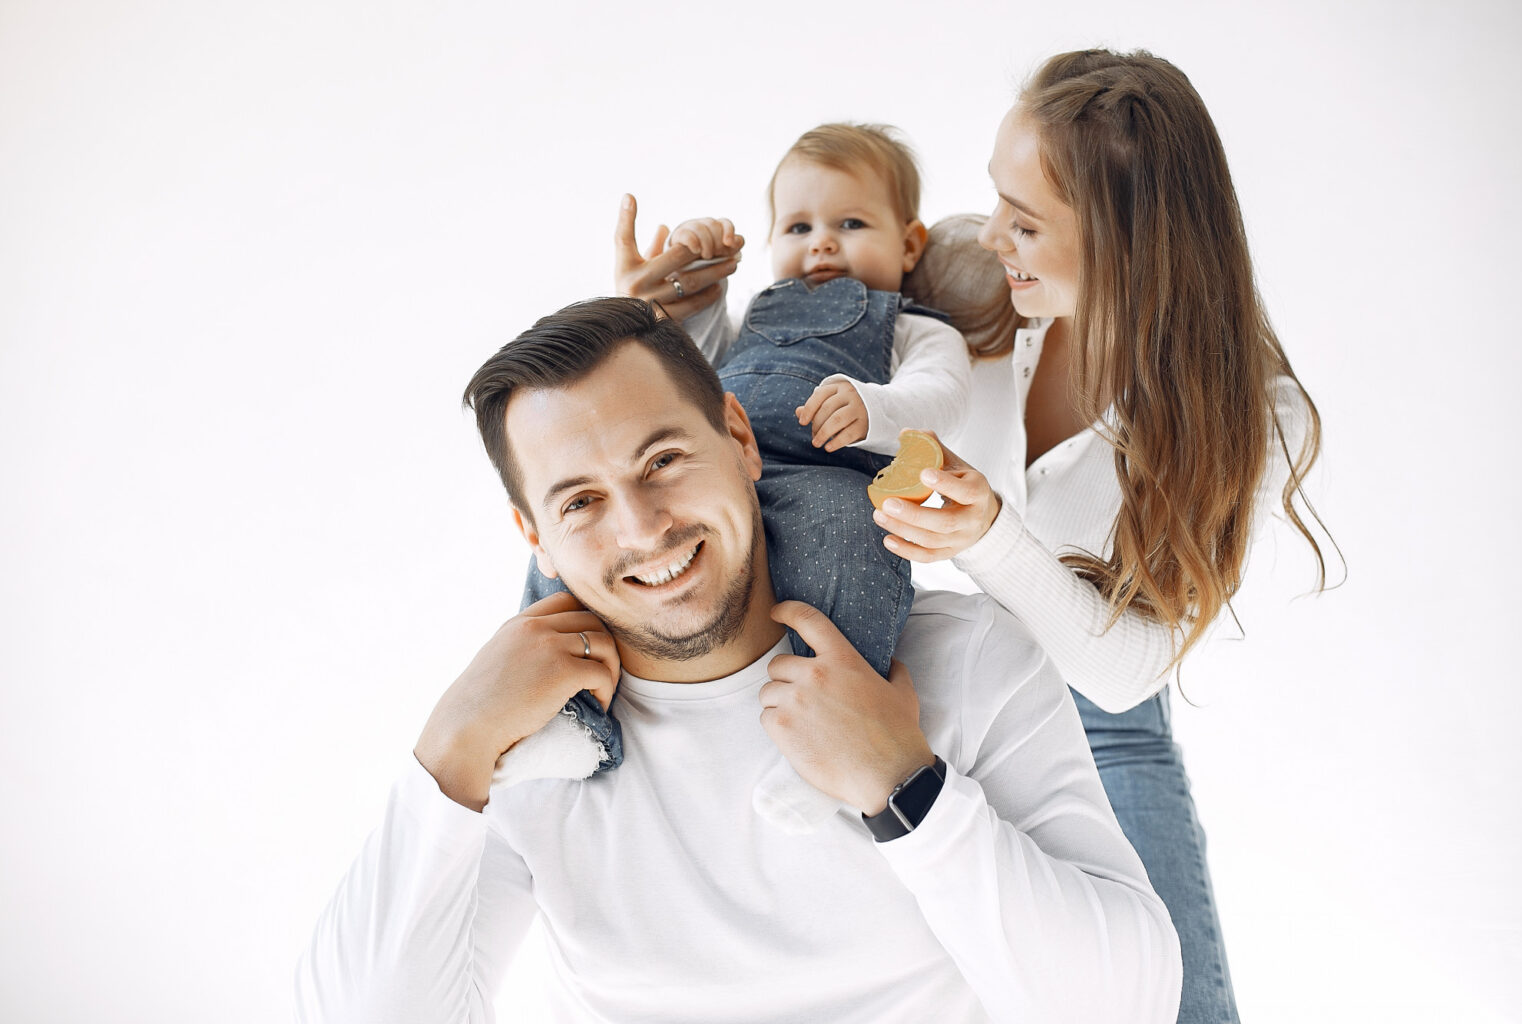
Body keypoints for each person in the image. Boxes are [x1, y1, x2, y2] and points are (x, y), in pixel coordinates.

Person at [295, 296, 1182, 1023]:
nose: (644, 529)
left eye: (664, 460)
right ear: (535, 537)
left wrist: (906, 788)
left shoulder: (968, 657)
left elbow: (1129, 1004)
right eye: (580, 502)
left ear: (740, 438)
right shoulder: (528, 749)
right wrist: (448, 754)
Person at [879, 51, 1331, 1024]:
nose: (994, 232)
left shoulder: (1255, 415)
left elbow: (1129, 672)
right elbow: (816, 314)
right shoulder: (976, 274)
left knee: (1179, 1007)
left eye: (1028, 221)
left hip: (1104, 730)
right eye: (999, 198)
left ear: (1132, 245)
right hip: (928, 692)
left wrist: (993, 535)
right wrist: (689, 310)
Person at [513, 124, 971, 831]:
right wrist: (688, 298)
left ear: (909, 243)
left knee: (858, 535)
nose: (821, 242)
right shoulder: (759, 311)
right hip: (718, 475)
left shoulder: (910, 327)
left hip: (823, 473)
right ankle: (569, 720)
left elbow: (945, 394)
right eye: (798, 225)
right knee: (566, 559)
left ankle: (825, 739)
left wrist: (875, 408)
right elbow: (690, 378)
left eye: (851, 223)